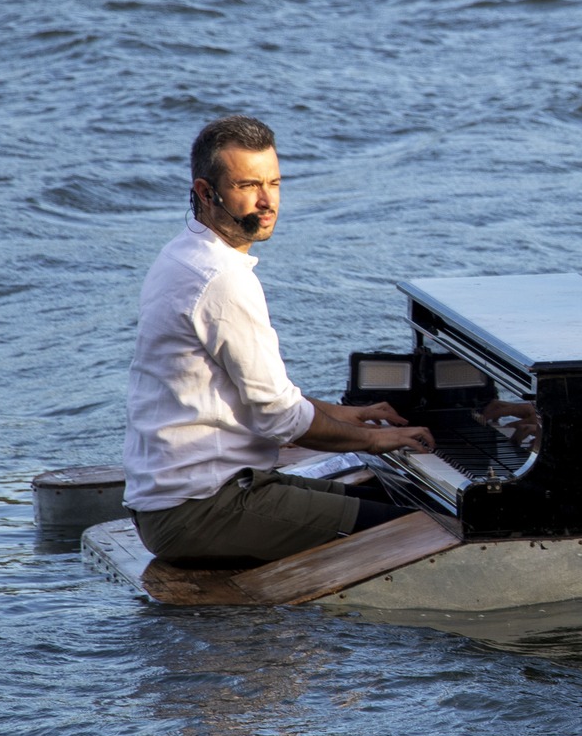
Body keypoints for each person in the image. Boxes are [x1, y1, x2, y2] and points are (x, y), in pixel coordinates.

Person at [124, 115, 436, 562]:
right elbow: (278, 419)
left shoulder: (183, 254)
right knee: (415, 531)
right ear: (205, 192)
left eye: (274, 183)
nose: (267, 201)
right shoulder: (221, 280)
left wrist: (347, 414)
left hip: (192, 499)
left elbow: (254, 396)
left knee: (398, 503)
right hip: (201, 511)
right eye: (248, 186)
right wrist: (372, 439)